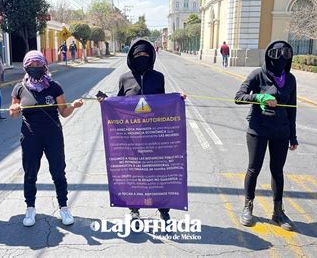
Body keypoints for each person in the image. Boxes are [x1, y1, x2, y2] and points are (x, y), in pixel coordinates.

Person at [99, 38, 185, 223]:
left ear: (151, 56)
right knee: (134, 173)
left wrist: (178, 99)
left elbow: (164, 103)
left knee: (158, 172)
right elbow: (121, 103)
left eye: (145, 54)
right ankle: (134, 209)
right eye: (138, 55)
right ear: (132, 56)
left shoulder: (158, 77)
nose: (142, 57)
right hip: (133, 136)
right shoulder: (125, 78)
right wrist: (106, 101)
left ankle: (163, 209)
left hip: (155, 135)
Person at [9, 50, 83, 227]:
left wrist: (73, 106)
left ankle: (64, 207)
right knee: (30, 173)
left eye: (38, 65)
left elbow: (63, 113)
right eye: (31, 65)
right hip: (30, 137)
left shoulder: (54, 86)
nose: (35, 68)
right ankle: (30, 208)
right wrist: (15, 109)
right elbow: (13, 113)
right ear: (26, 66)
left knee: (58, 172)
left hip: (53, 136)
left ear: (44, 65)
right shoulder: (19, 88)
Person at [234, 40, 298, 231]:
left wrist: (293, 136)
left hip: (281, 132)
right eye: (277, 59)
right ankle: (248, 206)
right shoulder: (257, 75)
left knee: (277, 171)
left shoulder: (291, 79)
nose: (280, 64)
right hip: (258, 130)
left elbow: (292, 109)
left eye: (284, 60)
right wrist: (257, 97)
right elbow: (238, 96)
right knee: (254, 168)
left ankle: (278, 211)